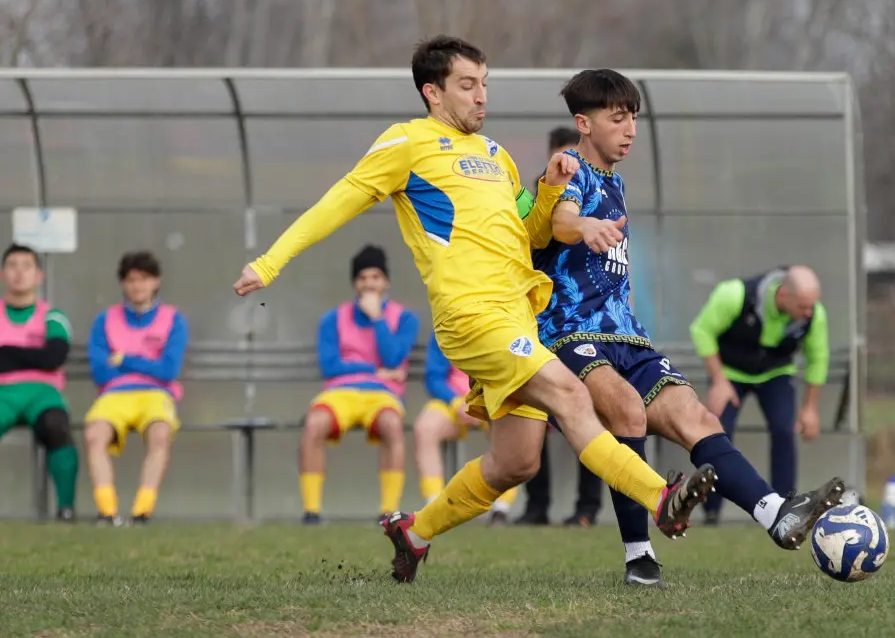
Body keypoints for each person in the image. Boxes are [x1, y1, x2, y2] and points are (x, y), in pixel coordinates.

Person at [232, 36, 714, 583]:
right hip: (471, 317)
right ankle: (660, 497)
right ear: (432, 93)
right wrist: (269, 264)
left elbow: (528, 237)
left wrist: (551, 191)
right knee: (570, 393)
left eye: (485, 84)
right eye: (467, 85)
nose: (481, 97)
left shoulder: (495, 155)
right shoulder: (406, 143)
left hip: (518, 317)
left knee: (517, 462)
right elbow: (336, 202)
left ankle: (413, 534)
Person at [530, 68, 844, 588]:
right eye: (617, 118)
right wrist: (583, 225)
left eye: (633, 117)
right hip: (569, 334)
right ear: (583, 123)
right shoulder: (570, 172)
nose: (630, 128)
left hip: (626, 337)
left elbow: (613, 269)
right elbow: (561, 220)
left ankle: (775, 514)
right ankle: (640, 556)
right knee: (626, 410)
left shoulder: (616, 182)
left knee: (696, 416)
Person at [516, 125, 607, 528]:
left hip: (583, 325)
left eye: (575, 159)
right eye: (561, 160)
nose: (569, 167)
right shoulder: (534, 202)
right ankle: (536, 507)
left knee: (590, 413)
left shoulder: (598, 203)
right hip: (538, 323)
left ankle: (587, 510)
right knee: (536, 418)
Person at [690, 265, 831, 525]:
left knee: (783, 429)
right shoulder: (734, 295)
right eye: (802, 306)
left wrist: (810, 408)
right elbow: (701, 330)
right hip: (730, 372)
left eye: (811, 307)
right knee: (718, 433)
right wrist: (719, 381)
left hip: (775, 373)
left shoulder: (813, 314)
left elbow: (818, 359)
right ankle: (711, 511)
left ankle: (785, 510)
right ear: (783, 295)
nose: (808, 313)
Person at [300, 245, 419, 524]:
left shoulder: (405, 319)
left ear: (386, 281)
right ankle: (311, 511)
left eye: (375, 277)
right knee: (314, 424)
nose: (369, 284)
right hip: (340, 392)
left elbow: (394, 356)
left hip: (383, 396)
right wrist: (376, 370)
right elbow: (330, 365)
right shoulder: (332, 319)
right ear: (354, 283)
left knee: (392, 425)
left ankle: (388, 511)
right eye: (363, 278)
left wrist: (377, 318)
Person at [84, 250, 189, 524]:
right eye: (131, 280)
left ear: (156, 281)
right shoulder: (104, 320)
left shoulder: (173, 319)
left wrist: (124, 359)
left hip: (156, 394)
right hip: (115, 393)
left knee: (160, 433)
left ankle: (143, 509)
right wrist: (144, 363)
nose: (137, 286)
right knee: (94, 434)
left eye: (144, 279)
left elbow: (169, 369)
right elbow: (100, 370)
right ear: (122, 283)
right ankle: (106, 511)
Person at [0, 243, 78, 521]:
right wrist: (33, 355)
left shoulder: (52, 316)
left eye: (26, 266)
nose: (19, 273)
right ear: (2, 274)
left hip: (43, 394)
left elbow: (54, 356)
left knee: (56, 426)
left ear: (39, 275)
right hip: (3, 394)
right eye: (12, 266)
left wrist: (7, 353)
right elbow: (42, 356)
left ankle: (66, 508)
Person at [412, 331, 520, 525]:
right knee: (424, 428)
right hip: (453, 401)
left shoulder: (502, 325)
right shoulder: (445, 327)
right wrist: (455, 402)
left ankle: (501, 510)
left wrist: (485, 401)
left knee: (513, 433)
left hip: (493, 400)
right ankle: (434, 507)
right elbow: (434, 377)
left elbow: (511, 373)